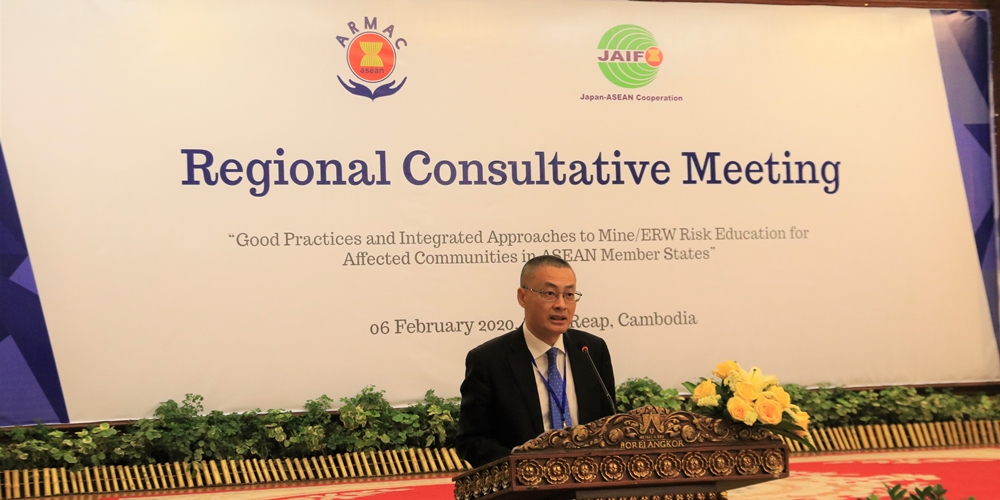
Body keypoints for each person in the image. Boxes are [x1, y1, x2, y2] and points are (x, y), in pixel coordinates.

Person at [455, 255, 616, 467]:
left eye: (569, 295)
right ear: (522, 297)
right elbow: (471, 441)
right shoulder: (489, 360)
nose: (561, 305)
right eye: (549, 294)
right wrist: (523, 466)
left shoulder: (591, 350)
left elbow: (610, 426)